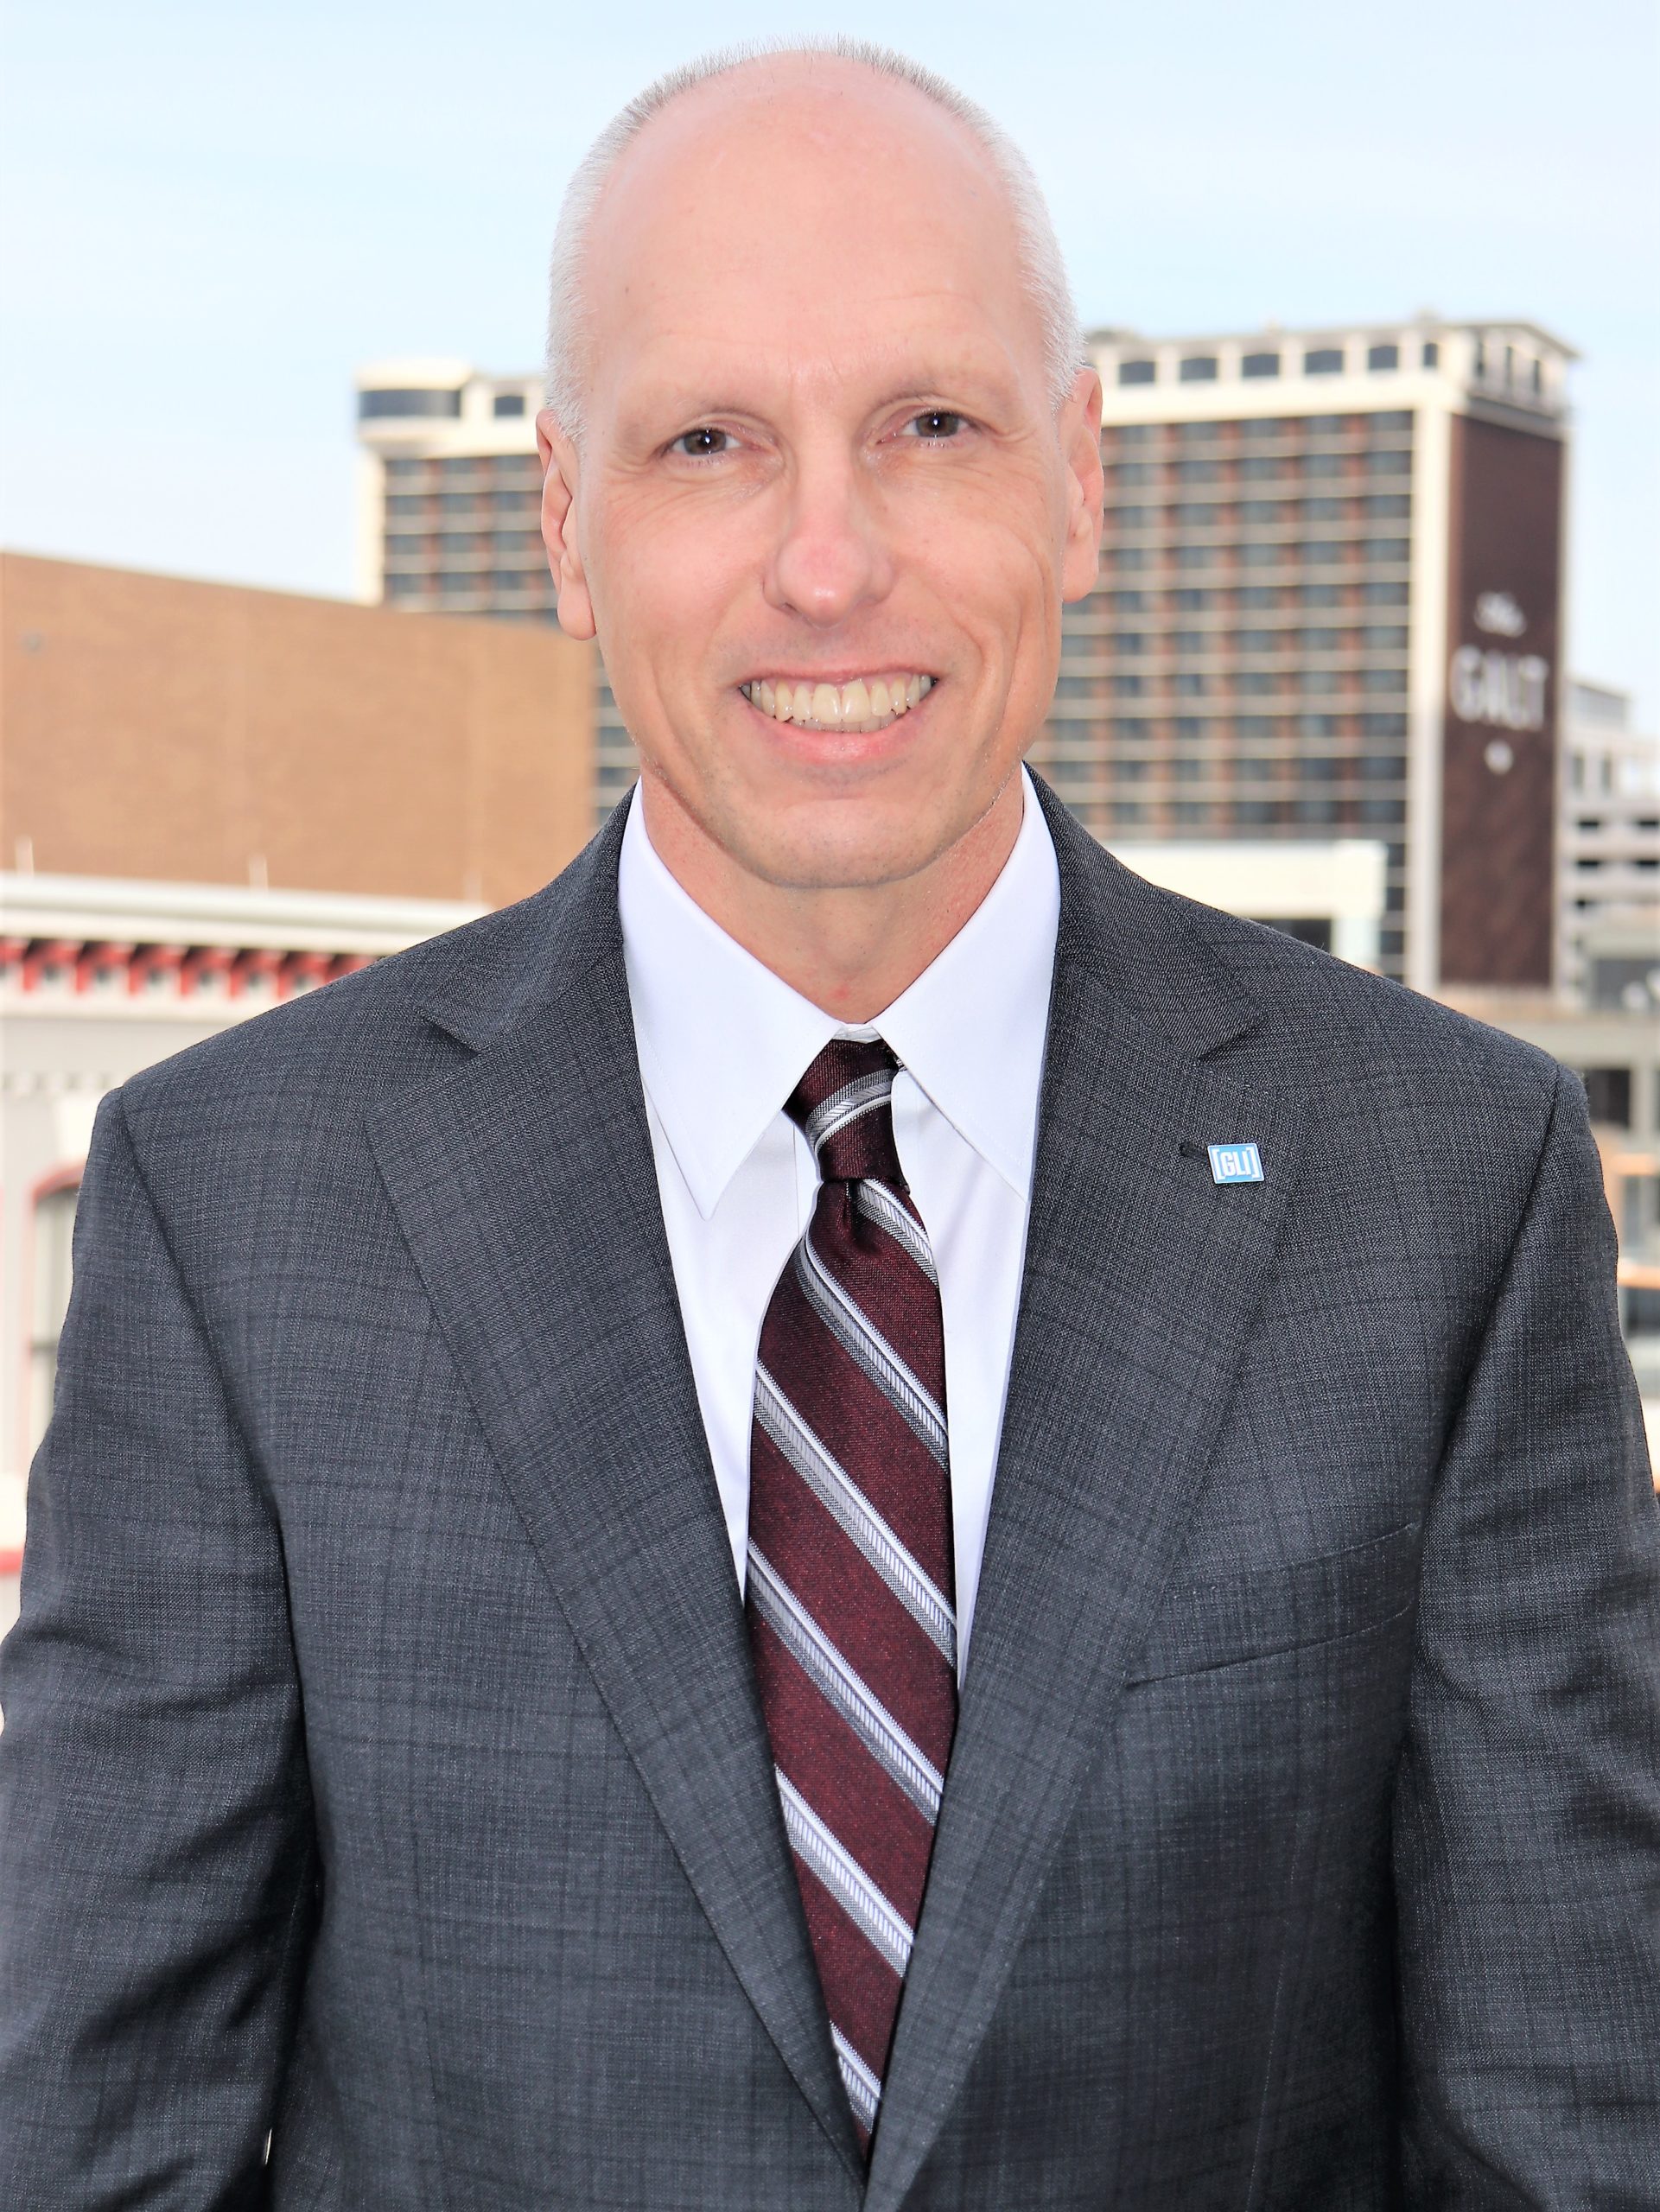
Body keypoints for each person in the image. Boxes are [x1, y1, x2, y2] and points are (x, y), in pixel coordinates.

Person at [1, 36, 1656, 2209]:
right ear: (566, 527)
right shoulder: (242, 1203)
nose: (825, 561)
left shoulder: (1450, 1188)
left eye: (931, 426)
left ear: (1080, 480)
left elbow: (1565, 2134)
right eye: (708, 442)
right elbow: (90, 2138)